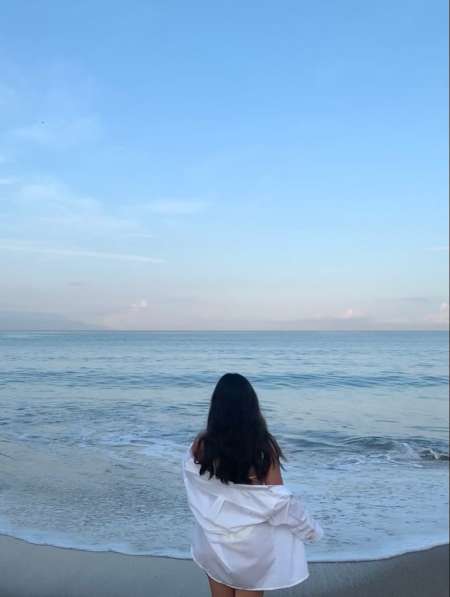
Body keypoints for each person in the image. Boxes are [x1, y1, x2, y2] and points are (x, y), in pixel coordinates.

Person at [182, 372, 323, 597]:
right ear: (251, 406)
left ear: (216, 407)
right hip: (251, 546)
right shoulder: (262, 446)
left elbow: (195, 482)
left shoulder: (201, 444)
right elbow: (278, 500)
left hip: (213, 539)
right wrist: (309, 529)